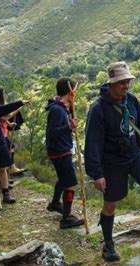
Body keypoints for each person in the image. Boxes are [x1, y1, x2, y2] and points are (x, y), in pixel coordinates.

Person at [84, 61, 140, 262]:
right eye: (121, 82)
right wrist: (97, 173)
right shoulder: (98, 109)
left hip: (134, 153)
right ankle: (108, 244)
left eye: (127, 82)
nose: (126, 86)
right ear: (110, 84)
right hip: (112, 160)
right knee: (110, 204)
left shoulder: (131, 100)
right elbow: (92, 142)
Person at [45, 78, 85, 229]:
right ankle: (66, 217)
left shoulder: (61, 107)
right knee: (71, 184)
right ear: (70, 91)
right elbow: (53, 132)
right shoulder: (56, 110)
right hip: (60, 151)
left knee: (63, 179)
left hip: (60, 149)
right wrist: (69, 127)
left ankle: (55, 203)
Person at [0, 86, 26, 177]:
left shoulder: (0, 104)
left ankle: (7, 171)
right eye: (3, 93)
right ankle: (7, 171)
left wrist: (9, 124)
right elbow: (5, 117)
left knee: (10, 148)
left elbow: (4, 118)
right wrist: (16, 110)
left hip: (3, 130)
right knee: (7, 150)